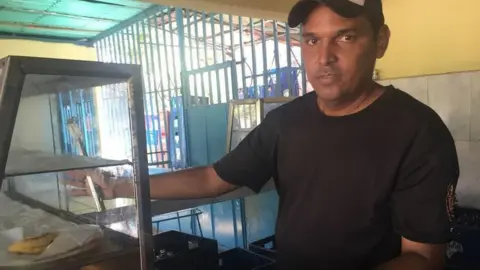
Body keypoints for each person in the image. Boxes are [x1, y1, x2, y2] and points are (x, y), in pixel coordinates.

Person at [67, 0, 460, 269]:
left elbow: (424, 259)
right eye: (311, 40)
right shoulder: (286, 122)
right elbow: (211, 178)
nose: (323, 58)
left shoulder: (418, 133)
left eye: (345, 36)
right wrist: (119, 186)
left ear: (381, 41)